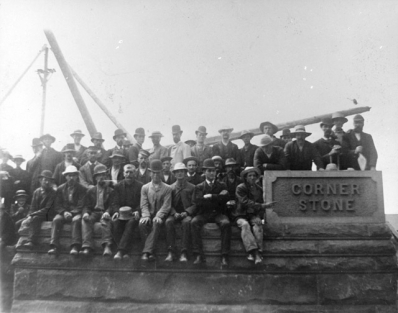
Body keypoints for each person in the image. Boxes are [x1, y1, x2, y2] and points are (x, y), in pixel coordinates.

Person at [190, 159, 231, 267]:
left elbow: (226, 198)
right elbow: (197, 202)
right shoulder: (199, 187)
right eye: (209, 171)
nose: (212, 173)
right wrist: (218, 198)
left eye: (214, 171)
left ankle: (224, 256)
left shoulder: (222, 185)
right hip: (204, 214)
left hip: (218, 213)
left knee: (226, 223)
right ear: (204, 172)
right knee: (194, 222)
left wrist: (211, 196)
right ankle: (198, 254)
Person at [234, 167, 273, 264]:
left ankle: (257, 252)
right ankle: (255, 253)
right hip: (240, 215)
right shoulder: (240, 188)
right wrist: (261, 206)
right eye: (249, 176)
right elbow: (244, 202)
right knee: (245, 225)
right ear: (245, 177)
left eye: (254, 175)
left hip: (253, 214)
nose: (252, 177)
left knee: (258, 225)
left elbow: (261, 204)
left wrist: (259, 216)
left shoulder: (259, 189)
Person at [48, 166, 87, 255]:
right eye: (69, 176)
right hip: (64, 212)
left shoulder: (82, 189)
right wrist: (64, 212)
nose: (71, 178)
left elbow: (81, 204)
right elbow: (57, 204)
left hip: (77, 212)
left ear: (77, 176)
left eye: (73, 175)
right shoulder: (60, 188)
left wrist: (72, 213)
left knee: (76, 220)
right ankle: (54, 246)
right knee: (56, 219)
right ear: (65, 177)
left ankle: (75, 246)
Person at [139, 159, 172, 261]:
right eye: (153, 173)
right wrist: (146, 215)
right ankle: (151, 252)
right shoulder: (145, 187)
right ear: (150, 173)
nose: (156, 175)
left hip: (161, 216)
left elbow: (166, 205)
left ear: (161, 173)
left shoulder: (167, 188)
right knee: (142, 224)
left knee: (156, 223)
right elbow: (143, 204)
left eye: (158, 173)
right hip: (149, 214)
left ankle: (146, 252)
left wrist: (159, 216)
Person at [110, 164, 143, 260]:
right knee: (115, 222)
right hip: (121, 214)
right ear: (123, 174)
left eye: (131, 172)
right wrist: (116, 211)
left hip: (133, 214)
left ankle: (120, 251)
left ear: (135, 174)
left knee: (131, 223)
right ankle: (125, 251)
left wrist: (137, 211)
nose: (129, 174)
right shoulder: (118, 186)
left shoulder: (140, 186)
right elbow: (114, 202)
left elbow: (142, 202)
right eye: (127, 172)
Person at [81, 164, 114, 257]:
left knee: (106, 220)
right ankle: (87, 246)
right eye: (99, 175)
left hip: (104, 212)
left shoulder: (111, 191)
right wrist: (86, 213)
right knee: (85, 220)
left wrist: (108, 212)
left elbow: (112, 205)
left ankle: (107, 245)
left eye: (104, 175)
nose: (102, 177)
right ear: (95, 178)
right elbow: (86, 205)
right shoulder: (90, 191)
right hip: (94, 212)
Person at [164, 162, 195, 262]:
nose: (180, 174)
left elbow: (195, 204)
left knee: (186, 222)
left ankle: (184, 252)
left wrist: (187, 212)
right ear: (174, 174)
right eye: (177, 172)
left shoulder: (192, 187)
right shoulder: (170, 187)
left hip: (186, 214)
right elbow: (168, 203)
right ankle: (170, 251)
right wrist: (174, 213)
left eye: (182, 171)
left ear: (185, 173)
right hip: (174, 213)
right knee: (168, 222)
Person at [21, 170, 56, 248]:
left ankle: (31, 241)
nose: (47, 182)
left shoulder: (53, 193)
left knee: (35, 218)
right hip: (37, 214)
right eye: (45, 180)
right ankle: (15, 244)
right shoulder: (36, 192)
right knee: (19, 222)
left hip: (48, 215)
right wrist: (28, 216)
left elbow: (47, 209)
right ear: (40, 180)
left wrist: (32, 215)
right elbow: (32, 207)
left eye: (49, 180)